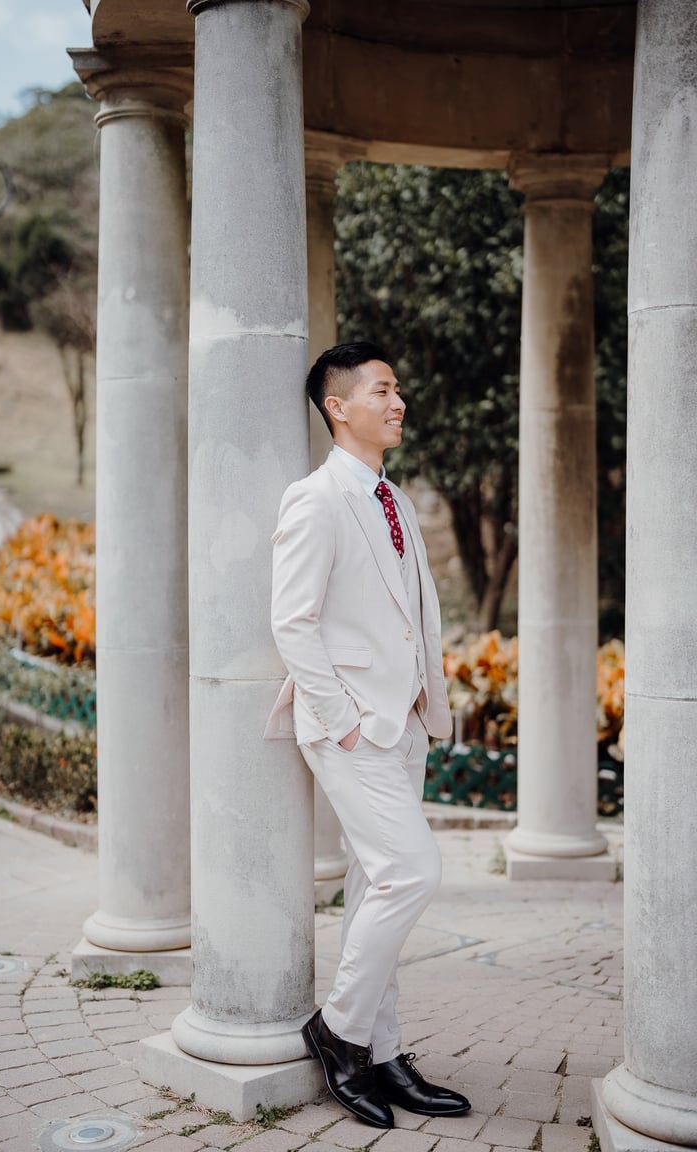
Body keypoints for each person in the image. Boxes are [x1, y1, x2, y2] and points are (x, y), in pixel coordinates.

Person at [265, 342, 471, 1129]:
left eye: (398, 389)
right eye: (382, 390)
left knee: (374, 886)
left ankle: (382, 1053)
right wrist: (345, 723)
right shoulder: (315, 500)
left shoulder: (396, 500)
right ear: (338, 405)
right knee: (412, 872)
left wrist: (422, 707)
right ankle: (340, 1032)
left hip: (404, 722)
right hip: (351, 728)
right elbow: (293, 621)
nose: (398, 402)